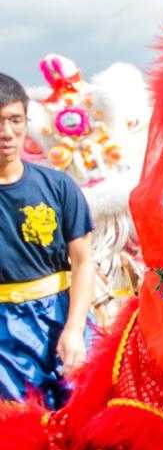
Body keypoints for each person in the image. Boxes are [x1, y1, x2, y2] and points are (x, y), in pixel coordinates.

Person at [0, 74, 94, 409]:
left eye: (15, 120)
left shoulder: (58, 186)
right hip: (4, 335)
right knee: (17, 431)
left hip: (60, 318)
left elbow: (83, 261)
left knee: (83, 416)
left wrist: (75, 328)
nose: (6, 133)